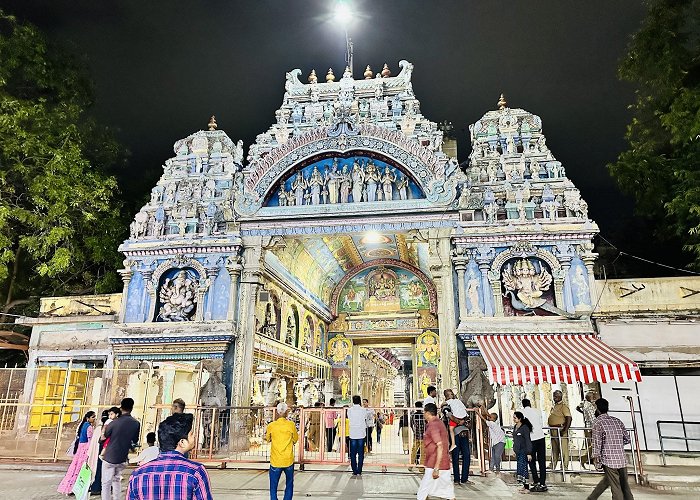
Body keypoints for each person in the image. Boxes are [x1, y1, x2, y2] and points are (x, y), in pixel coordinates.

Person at [127, 413, 213, 500]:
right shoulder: (196, 472)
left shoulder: (137, 475)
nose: (194, 437)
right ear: (182, 442)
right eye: (191, 434)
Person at [587, 398, 634, 500]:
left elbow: (597, 444)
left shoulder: (597, 423)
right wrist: (616, 445)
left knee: (616, 487)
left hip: (609, 461)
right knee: (624, 485)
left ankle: (592, 498)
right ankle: (592, 498)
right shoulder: (617, 421)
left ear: (597, 409)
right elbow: (627, 439)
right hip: (621, 459)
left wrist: (596, 459)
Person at [102, 398, 141, 500]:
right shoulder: (136, 423)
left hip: (110, 456)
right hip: (122, 457)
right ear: (131, 408)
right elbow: (135, 440)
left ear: (121, 406)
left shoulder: (114, 423)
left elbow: (105, 435)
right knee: (117, 480)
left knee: (106, 483)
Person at [416, 403, 456, 500]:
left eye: (424, 412)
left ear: (428, 413)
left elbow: (440, 445)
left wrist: (436, 468)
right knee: (447, 491)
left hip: (435, 463)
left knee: (423, 490)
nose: (423, 415)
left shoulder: (433, 425)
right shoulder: (438, 423)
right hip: (440, 462)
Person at [265, 402, 298, 500]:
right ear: (286, 412)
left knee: (273, 486)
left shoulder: (271, 426)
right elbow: (295, 439)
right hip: (288, 460)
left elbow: (267, 439)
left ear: (277, 412)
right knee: (289, 484)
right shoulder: (291, 425)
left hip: (276, 460)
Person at [58, 410, 96, 495]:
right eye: (93, 417)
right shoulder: (89, 427)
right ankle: (76, 488)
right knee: (80, 469)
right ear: (88, 418)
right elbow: (90, 440)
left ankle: (69, 487)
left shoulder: (82, 425)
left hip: (80, 447)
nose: (94, 419)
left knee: (74, 468)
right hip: (85, 448)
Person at [443, 389, 471, 485]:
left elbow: (466, 415)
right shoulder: (446, 404)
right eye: (449, 394)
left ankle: (464, 478)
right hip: (455, 433)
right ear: (446, 396)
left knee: (466, 455)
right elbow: (448, 414)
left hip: (464, 431)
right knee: (455, 455)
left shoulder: (459, 403)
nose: (452, 395)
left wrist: (464, 420)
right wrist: (459, 421)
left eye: (452, 393)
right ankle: (456, 479)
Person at [521, 399, 547, 492]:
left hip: (530, 439)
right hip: (540, 437)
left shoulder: (521, 412)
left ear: (522, 405)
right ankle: (543, 483)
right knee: (542, 461)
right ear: (530, 404)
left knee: (531, 461)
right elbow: (540, 423)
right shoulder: (537, 411)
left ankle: (536, 481)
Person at [476, 404, 506, 474]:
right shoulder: (494, 422)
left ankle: (497, 469)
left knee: (497, 456)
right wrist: (483, 406)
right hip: (495, 442)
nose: (488, 417)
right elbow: (487, 414)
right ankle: (491, 468)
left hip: (500, 442)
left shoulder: (492, 423)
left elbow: (483, 418)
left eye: (490, 416)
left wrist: (477, 413)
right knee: (493, 456)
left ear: (493, 418)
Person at [548, 390, 572, 472]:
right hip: (553, 429)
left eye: (556, 396)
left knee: (563, 448)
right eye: (554, 396)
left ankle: (564, 466)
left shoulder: (563, 407)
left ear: (560, 397)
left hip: (560, 429)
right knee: (554, 449)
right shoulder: (554, 406)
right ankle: (552, 464)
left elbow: (569, 418)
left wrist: (565, 430)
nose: (555, 398)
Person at [88, 410, 109, 496]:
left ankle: (96, 487)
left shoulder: (98, 429)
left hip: (97, 452)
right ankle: (99, 488)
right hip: (104, 452)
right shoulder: (107, 428)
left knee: (97, 469)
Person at [513, 411, 534, 494]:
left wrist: (529, 453)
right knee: (520, 469)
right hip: (518, 451)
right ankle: (524, 485)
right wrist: (514, 450)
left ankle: (527, 487)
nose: (514, 419)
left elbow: (528, 440)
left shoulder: (524, 428)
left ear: (520, 418)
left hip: (524, 450)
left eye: (515, 418)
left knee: (524, 468)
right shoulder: (515, 427)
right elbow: (515, 440)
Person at [577, 391, 598, 468]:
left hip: (588, 426)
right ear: (589, 397)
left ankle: (589, 459)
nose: (594, 398)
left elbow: (577, 407)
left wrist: (583, 413)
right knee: (594, 445)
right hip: (591, 427)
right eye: (593, 397)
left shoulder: (584, 403)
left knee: (593, 445)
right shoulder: (589, 406)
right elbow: (593, 419)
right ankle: (585, 458)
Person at [347, 395, 366, 477]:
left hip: (353, 433)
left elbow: (349, 418)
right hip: (361, 433)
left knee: (353, 453)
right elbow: (364, 417)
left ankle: (354, 470)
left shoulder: (350, 410)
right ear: (360, 401)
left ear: (353, 401)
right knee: (361, 453)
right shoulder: (363, 410)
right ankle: (359, 470)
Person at [409, 401, 425, 471]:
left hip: (416, 436)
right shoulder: (424, 416)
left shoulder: (413, 416)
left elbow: (411, 425)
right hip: (424, 436)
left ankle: (411, 465)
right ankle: (421, 467)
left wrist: (414, 432)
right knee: (423, 452)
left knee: (414, 451)